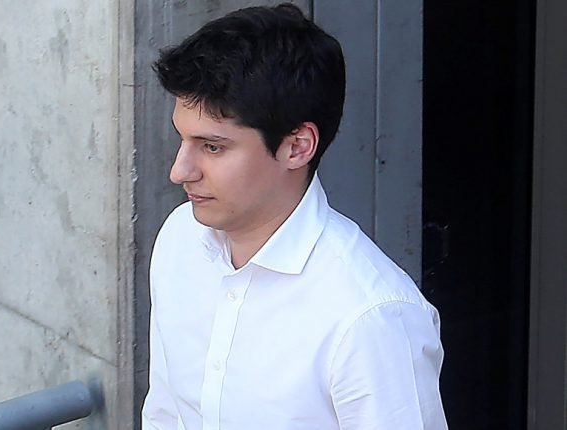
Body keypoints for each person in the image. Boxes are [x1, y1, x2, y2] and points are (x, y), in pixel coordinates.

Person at [142, 3, 448, 429]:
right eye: (183, 139)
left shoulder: (371, 316)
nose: (180, 171)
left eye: (212, 147)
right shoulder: (180, 238)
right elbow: (165, 414)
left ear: (297, 147)